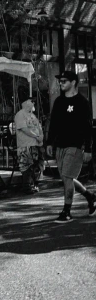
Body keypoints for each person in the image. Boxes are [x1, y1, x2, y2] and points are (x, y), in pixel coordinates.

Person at [47, 70, 95, 222]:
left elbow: (88, 128)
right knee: (67, 178)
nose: (61, 83)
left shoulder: (82, 102)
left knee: (67, 177)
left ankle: (66, 211)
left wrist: (88, 148)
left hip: (75, 145)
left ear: (73, 82)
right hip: (60, 145)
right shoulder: (59, 102)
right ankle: (90, 196)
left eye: (64, 81)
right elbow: (53, 123)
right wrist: (49, 142)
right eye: (60, 81)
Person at [14, 96, 44, 193]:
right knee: (27, 165)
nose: (34, 104)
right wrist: (36, 136)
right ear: (26, 102)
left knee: (37, 165)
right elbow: (24, 128)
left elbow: (39, 127)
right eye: (32, 102)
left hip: (36, 145)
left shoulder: (33, 116)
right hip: (25, 145)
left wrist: (41, 136)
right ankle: (27, 185)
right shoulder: (20, 115)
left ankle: (33, 184)